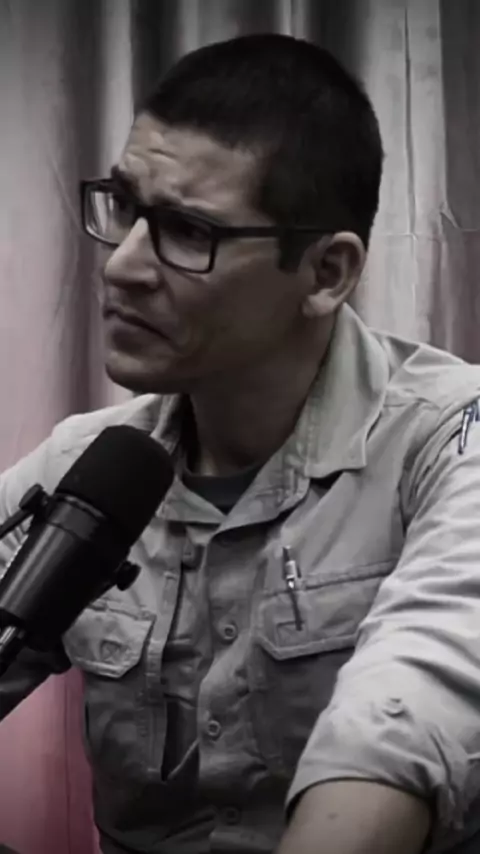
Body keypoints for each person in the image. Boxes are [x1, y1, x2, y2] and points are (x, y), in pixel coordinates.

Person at [1, 31, 480, 854]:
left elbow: (404, 716)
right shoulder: (89, 465)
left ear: (327, 273)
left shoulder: (449, 438)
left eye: (189, 232)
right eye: (126, 208)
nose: (121, 267)